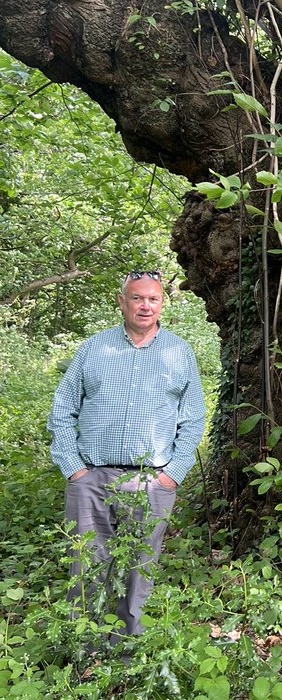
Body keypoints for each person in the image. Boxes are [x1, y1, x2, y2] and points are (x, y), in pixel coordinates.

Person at [48, 269, 206, 639]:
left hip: (151, 480)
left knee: (139, 568)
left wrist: (173, 474)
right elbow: (62, 408)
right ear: (122, 303)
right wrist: (73, 468)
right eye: (137, 298)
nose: (145, 306)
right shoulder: (94, 348)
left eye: (152, 298)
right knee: (87, 567)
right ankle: (86, 647)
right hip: (90, 478)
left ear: (162, 303)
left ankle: (128, 649)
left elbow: (194, 417)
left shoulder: (178, 352)